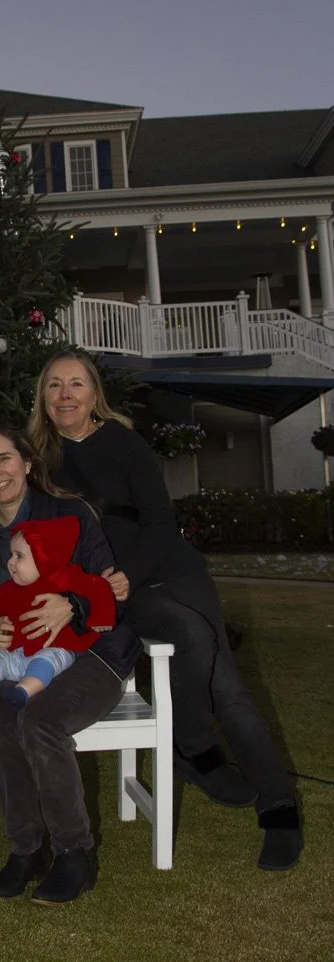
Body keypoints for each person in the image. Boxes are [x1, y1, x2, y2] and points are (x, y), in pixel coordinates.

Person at [28, 349, 302, 872]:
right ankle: (197, 748)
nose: (65, 395)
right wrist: (94, 588)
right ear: (42, 397)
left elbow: (159, 520)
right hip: (108, 588)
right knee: (189, 635)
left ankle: (279, 809)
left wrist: (128, 572)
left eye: (76, 384)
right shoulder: (37, 458)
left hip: (166, 566)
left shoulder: (124, 441)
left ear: (94, 395)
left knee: (228, 685)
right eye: (54, 385)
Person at [0, 424, 142, 904]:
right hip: (23, 657)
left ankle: (75, 852)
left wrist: (71, 605)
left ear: (28, 463)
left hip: (91, 653)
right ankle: (26, 849)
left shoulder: (71, 513)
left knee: (39, 719)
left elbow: (110, 590)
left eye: (5, 459)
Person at [0, 516, 116, 724]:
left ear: (44, 558)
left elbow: (98, 586)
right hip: (15, 654)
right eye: (11, 554)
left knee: (48, 660)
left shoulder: (64, 579)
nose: (10, 562)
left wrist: (101, 617)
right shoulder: (9, 590)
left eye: (19, 556)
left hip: (53, 648)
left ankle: (23, 692)